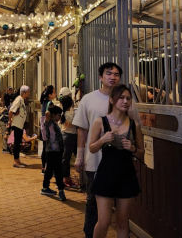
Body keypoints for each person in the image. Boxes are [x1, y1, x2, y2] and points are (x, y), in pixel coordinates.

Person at [72, 62, 123, 238]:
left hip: (119, 160)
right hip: (95, 159)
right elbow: (81, 130)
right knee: (93, 200)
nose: (113, 77)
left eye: (116, 74)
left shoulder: (124, 99)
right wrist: (79, 157)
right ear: (101, 77)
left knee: (119, 202)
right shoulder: (89, 99)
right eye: (109, 73)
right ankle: (89, 234)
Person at [88, 85, 142, 238]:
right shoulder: (100, 122)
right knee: (104, 221)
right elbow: (91, 148)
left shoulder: (134, 124)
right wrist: (102, 140)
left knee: (123, 222)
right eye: (121, 98)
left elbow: (141, 153)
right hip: (106, 175)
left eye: (128, 98)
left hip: (127, 176)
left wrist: (132, 148)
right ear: (112, 100)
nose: (125, 101)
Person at [41, 104, 66, 201]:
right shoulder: (50, 124)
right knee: (58, 171)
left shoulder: (52, 123)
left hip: (52, 151)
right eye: (59, 115)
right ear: (54, 115)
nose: (60, 117)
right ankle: (61, 191)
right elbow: (49, 137)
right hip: (53, 151)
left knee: (50, 170)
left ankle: (45, 187)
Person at [59, 88, 77, 188]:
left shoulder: (63, 111)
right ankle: (65, 179)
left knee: (66, 158)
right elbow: (71, 123)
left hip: (66, 135)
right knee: (66, 158)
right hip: (69, 136)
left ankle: (66, 178)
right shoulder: (68, 113)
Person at [8, 85, 30, 168]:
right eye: (28, 92)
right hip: (17, 124)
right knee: (17, 143)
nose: (29, 94)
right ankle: (15, 161)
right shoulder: (19, 100)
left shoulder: (22, 100)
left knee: (18, 143)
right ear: (24, 92)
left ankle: (18, 160)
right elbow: (11, 111)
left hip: (20, 124)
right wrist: (9, 121)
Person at [39, 85, 56, 173]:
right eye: (54, 92)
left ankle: (43, 167)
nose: (55, 94)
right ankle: (48, 169)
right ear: (50, 95)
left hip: (43, 127)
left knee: (45, 147)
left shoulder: (44, 102)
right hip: (48, 128)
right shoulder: (50, 103)